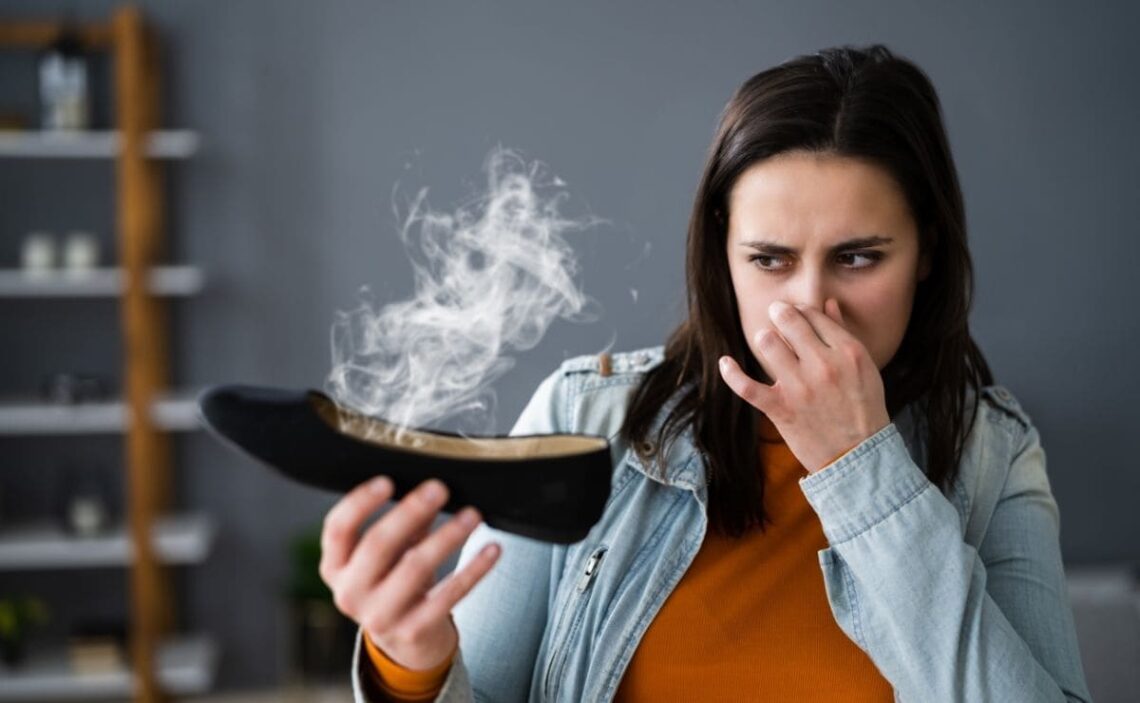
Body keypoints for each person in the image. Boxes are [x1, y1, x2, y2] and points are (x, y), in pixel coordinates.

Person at [321, 44, 1092, 702]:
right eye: (770, 260)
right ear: (724, 256)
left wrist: (861, 468)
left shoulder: (992, 454)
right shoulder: (584, 418)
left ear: (926, 252)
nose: (809, 305)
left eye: (858, 257)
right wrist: (411, 661)